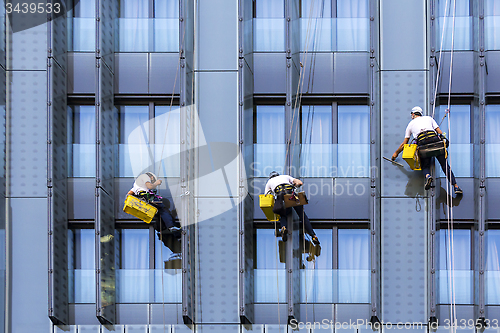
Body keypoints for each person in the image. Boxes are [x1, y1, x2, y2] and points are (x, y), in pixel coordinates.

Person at [392, 106, 462, 195]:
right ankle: (456, 187)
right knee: (445, 165)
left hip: (423, 145)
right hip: (435, 143)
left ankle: (428, 176)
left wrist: (395, 153)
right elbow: (440, 133)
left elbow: (404, 144)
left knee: (425, 166)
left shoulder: (410, 124)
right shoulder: (429, 118)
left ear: (413, 114)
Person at [264, 171, 320, 245]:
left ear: (270, 177)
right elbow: (300, 183)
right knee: (302, 215)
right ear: (278, 175)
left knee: (283, 214)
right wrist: (295, 185)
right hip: (291, 196)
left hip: (281, 197)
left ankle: (283, 227)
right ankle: (313, 236)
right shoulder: (286, 176)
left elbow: (266, 195)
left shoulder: (269, 182)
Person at [127, 172, 181, 237]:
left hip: (143, 198)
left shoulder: (136, 184)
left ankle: (168, 227)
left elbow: (129, 193)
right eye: (152, 181)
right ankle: (171, 226)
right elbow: (150, 186)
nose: (151, 182)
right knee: (163, 209)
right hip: (147, 197)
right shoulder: (144, 176)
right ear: (151, 177)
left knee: (159, 211)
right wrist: (156, 183)